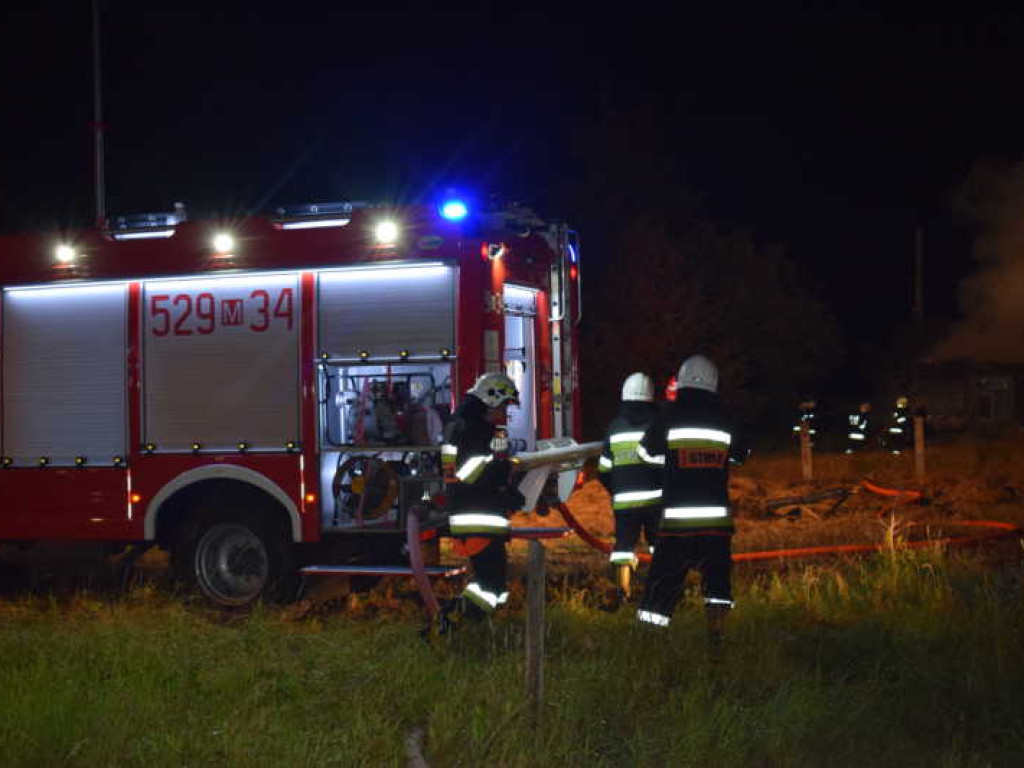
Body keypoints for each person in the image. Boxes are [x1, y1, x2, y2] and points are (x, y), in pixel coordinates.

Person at [635, 354, 745, 649]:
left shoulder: (670, 415)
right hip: (717, 525)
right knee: (718, 585)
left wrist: (671, 459)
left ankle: (649, 644)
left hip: (677, 523)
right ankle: (718, 640)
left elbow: (644, 452)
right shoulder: (725, 418)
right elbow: (742, 454)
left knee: (663, 582)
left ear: (681, 382)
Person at [436, 372, 525, 632]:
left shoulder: (465, 426)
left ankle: (461, 626)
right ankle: (448, 624)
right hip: (479, 515)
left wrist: (503, 480)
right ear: (491, 399)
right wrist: (502, 486)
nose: (506, 413)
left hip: (474, 513)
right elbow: (471, 472)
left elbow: (489, 465)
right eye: (505, 406)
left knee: (490, 584)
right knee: (491, 586)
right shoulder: (472, 430)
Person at [597, 372, 662, 605]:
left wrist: (617, 490)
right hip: (656, 500)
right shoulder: (657, 424)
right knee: (659, 544)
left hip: (624, 502)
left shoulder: (615, 427)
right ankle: (659, 590)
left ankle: (622, 591)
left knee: (623, 546)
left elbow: (603, 469)